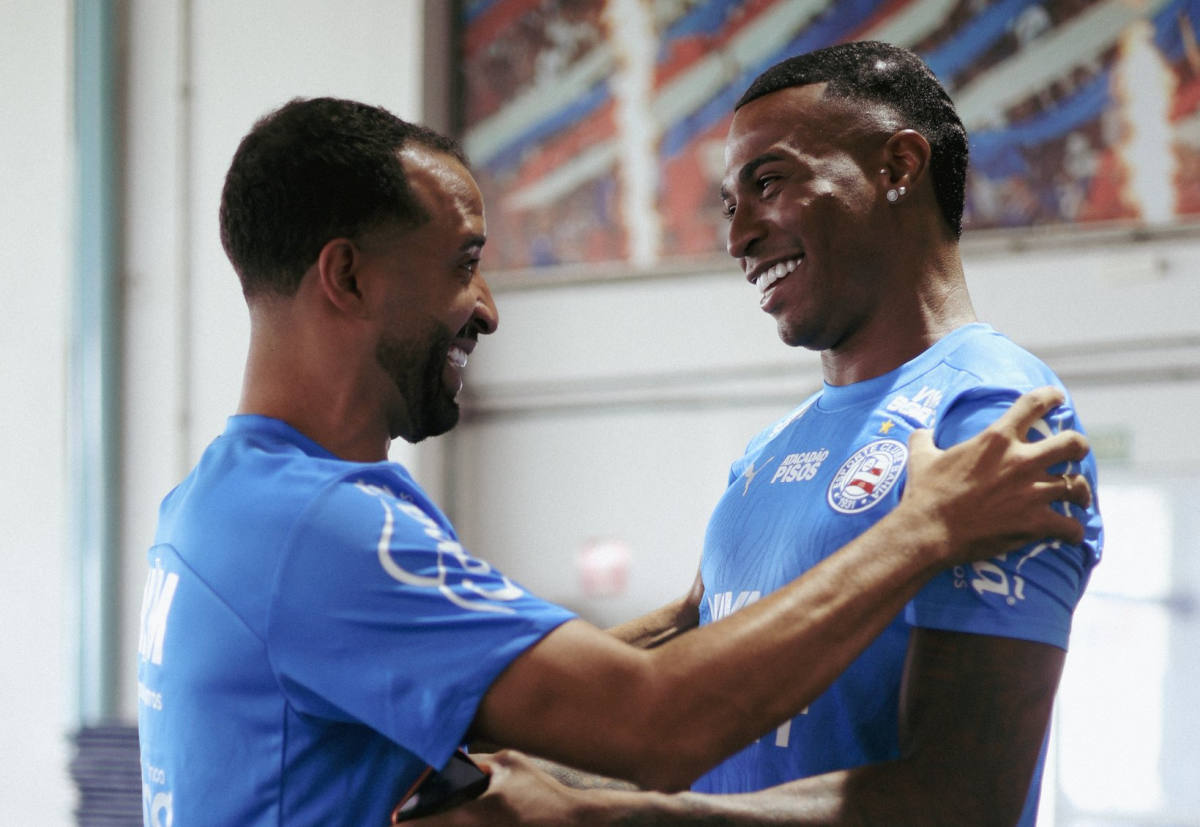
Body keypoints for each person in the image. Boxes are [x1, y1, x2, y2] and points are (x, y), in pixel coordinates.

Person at [135, 95, 1092, 827]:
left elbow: (489, 695)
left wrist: (699, 616)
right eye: (461, 260)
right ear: (346, 276)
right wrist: (927, 525)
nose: (488, 305)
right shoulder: (325, 528)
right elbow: (657, 724)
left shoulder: (219, 504)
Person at [415, 42, 1104, 826]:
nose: (737, 234)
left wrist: (586, 817)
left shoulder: (988, 416)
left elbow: (959, 800)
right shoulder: (772, 450)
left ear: (899, 166)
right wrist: (501, 752)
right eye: (726, 203)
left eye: (768, 182)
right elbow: (682, 666)